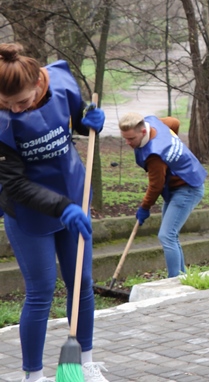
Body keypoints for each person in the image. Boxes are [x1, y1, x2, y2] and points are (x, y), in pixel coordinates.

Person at [0, 43, 109, 382]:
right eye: (7, 103)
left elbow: (77, 123)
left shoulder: (61, 82)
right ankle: (33, 377)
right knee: (41, 292)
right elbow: (14, 185)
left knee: (82, 283)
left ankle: (84, 364)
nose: (15, 110)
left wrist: (91, 121)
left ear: (38, 83)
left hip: (74, 195)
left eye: (21, 102)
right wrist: (63, 208)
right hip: (29, 211)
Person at [118, 112, 207, 277]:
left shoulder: (155, 156)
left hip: (188, 187)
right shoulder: (152, 122)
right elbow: (174, 122)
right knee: (171, 235)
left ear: (143, 131)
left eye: (131, 139)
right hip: (176, 186)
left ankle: (174, 281)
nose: (128, 143)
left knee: (167, 236)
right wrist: (172, 150)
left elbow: (156, 186)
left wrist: (145, 207)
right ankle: (181, 277)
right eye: (125, 138)